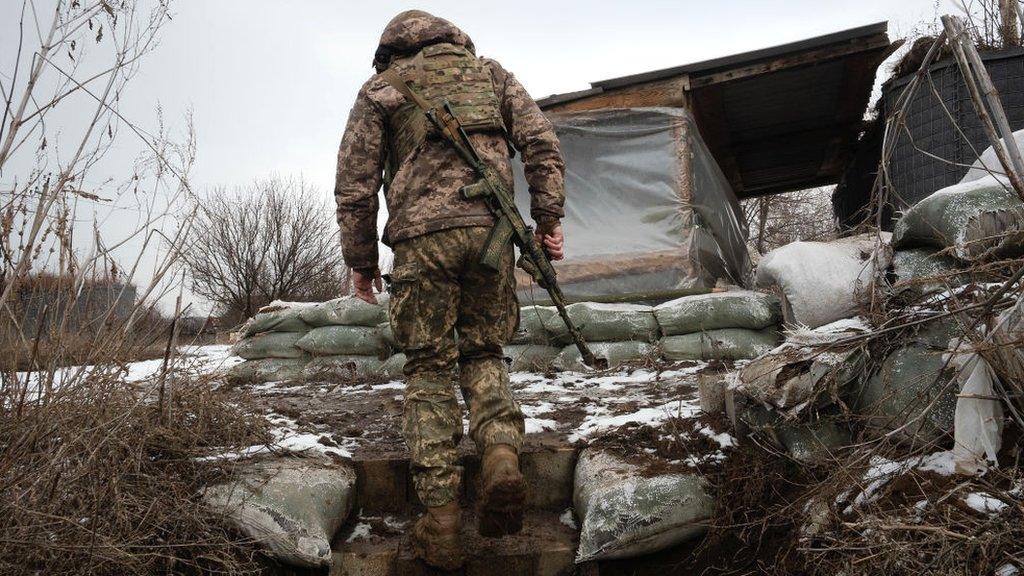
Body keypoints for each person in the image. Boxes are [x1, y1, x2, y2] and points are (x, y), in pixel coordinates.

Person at [333, 10, 565, 570]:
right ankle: (502, 456)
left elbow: (355, 186)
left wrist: (361, 262)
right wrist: (549, 219)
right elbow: (541, 144)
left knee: (430, 368)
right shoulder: (491, 75)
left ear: (390, 50)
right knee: (484, 351)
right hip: (493, 237)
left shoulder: (379, 90)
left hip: (421, 245)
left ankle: (439, 524)